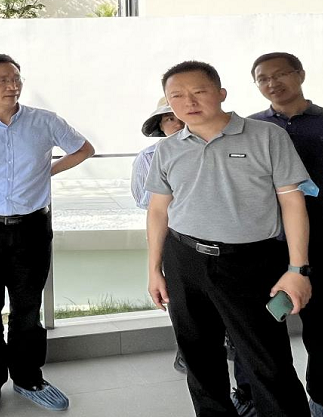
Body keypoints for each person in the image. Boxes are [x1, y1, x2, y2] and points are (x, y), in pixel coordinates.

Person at [145, 60, 313, 417]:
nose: (189, 102)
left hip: (251, 262)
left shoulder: (267, 136)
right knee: (198, 356)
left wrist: (297, 268)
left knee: (267, 360)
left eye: (199, 91)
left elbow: (292, 202)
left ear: (221, 93)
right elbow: (159, 210)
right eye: (177, 96)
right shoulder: (168, 148)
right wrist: (154, 269)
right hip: (184, 258)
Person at [0, 53, 95, 417]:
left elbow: (84, 149)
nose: (12, 86)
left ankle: (29, 379)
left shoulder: (45, 121)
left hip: (31, 228)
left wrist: (47, 171)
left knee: (27, 309)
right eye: (3, 80)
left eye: (16, 79)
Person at [248, 52, 323, 417]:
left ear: (300, 74)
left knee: (320, 329)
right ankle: (256, 400)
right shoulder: (251, 127)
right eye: (263, 79)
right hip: (264, 244)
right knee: (260, 330)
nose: (272, 83)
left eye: (280, 74)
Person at [131, 95, 186, 373]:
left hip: (213, 236)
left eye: (180, 116)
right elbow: (147, 204)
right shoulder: (148, 158)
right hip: (171, 235)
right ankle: (185, 352)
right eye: (169, 118)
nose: (176, 123)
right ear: (160, 125)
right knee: (178, 297)